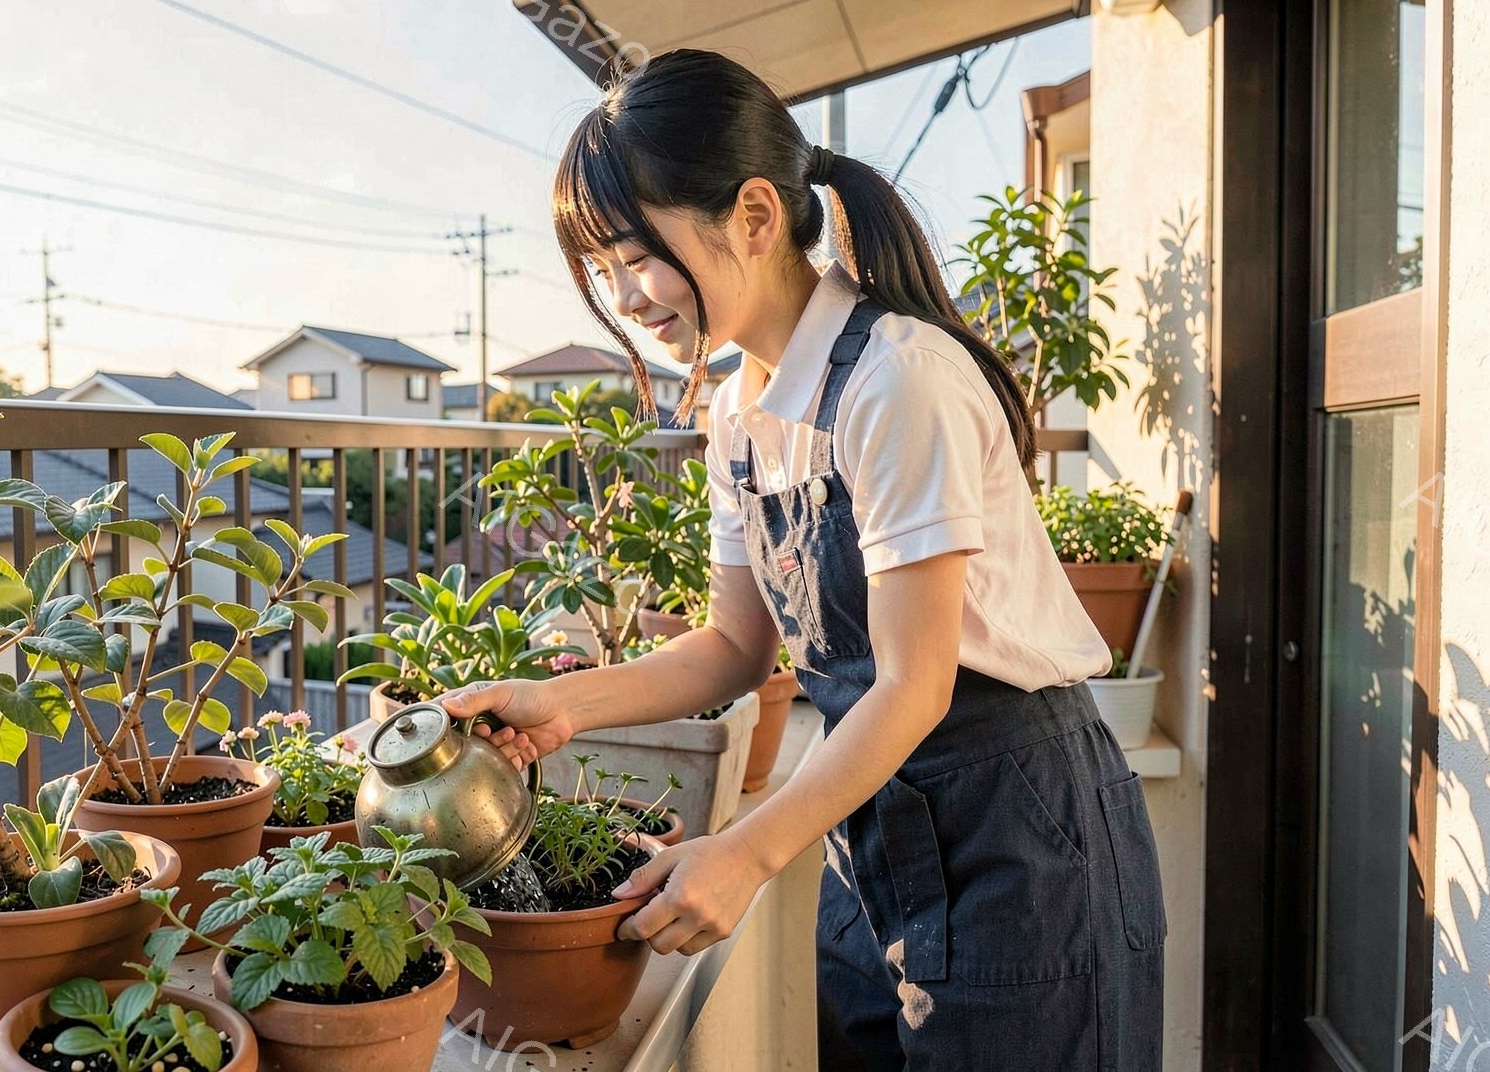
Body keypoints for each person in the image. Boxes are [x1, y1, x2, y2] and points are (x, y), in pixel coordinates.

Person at [439, 49, 1166, 1070]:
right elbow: (734, 645)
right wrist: (557, 705)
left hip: (1018, 828)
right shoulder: (739, 410)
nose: (627, 298)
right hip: (868, 824)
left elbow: (915, 686)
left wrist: (745, 851)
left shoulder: (897, 379)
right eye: (601, 272)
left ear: (752, 216)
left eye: (634, 256)